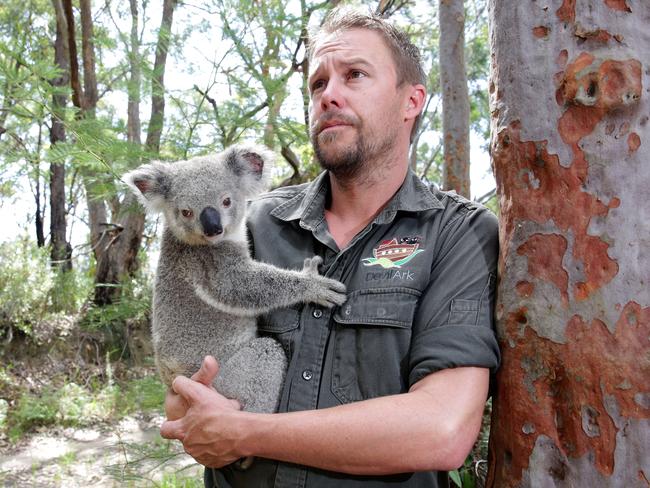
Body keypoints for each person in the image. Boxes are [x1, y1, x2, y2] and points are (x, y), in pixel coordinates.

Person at [160, 6, 500, 488]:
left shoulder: (458, 234)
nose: (329, 96)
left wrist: (245, 433)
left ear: (412, 101)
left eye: (354, 75)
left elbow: (440, 431)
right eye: (318, 84)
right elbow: (183, 389)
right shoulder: (250, 226)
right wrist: (191, 407)